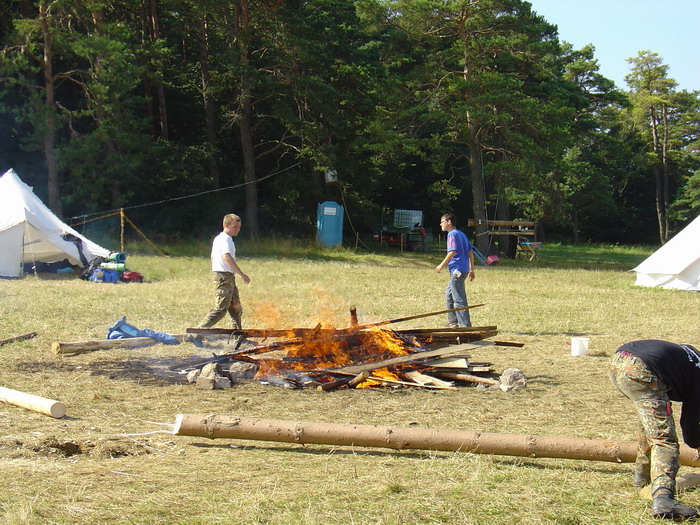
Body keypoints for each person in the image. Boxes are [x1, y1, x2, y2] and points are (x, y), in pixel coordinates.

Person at [608, 339, 700, 520]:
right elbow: (690, 427)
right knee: (664, 438)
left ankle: (641, 478)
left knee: (650, 425)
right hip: (642, 368)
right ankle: (664, 499)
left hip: (618, 362)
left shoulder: (693, 362)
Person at [198, 214, 251, 330]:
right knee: (221, 309)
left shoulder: (219, 239)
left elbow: (213, 257)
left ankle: (237, 335)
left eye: (239, 227)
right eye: (235, 227)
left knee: (236, 308)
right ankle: (197, 332)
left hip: (227, 276)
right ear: (227, 225)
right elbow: (226, 256)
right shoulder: (226, 239)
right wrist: (241, 274)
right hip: (224, 276)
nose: (238, 229)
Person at [434, 213, 475, 327]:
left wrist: (441, 265)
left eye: (442, 221)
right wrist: (471, 270)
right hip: (463, 269)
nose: (440, 224)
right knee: (449, 296)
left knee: (458, 299)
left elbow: (452, 252)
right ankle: (453, 323)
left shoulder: (452, 234)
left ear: (449, 222)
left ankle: (465, 326)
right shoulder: (461, 234)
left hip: (457, 270)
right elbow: (470, 252)